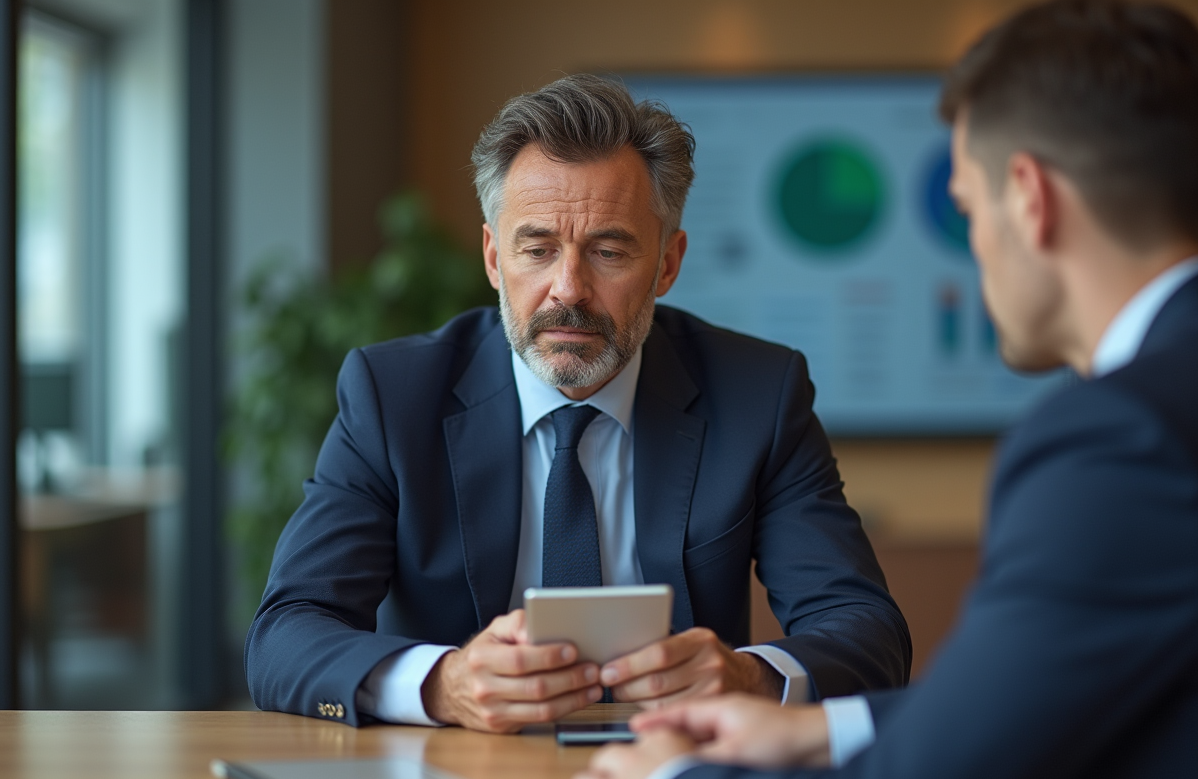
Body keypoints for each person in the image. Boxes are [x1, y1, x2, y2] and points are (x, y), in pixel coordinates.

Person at [570, 2, 1198, 779]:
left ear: (1031, 200)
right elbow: (1019, 709)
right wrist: (814, 728)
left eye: (966, 209)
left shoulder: (1120, 439)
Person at [244, 74, 911, 733]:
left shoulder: (757, 393)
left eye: (609, 250)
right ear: (493, 258)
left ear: (667, 264)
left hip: (674, 770)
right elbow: (286, 635)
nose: (569, 289)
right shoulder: (391, 396)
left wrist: (749, 677)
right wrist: (441, 685)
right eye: (537, 249)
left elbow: (866, 631)